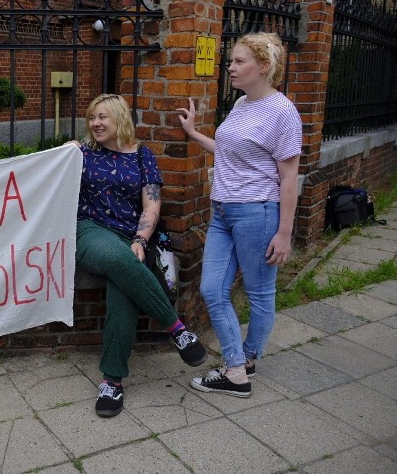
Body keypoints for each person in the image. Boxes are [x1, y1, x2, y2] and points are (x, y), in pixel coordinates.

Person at [177, 32, 302, 398]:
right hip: (223, 213)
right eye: (231, 61)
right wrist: (193, 133)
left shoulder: (282, 112)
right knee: (211, 289)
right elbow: (229, 152)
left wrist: (284, 232)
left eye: (238, 61)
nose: (229, 67)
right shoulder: (242, 104)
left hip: (258, 213)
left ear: (263, 66)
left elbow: (289, 176)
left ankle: (242, 364)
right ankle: (237, 364)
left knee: (260, 292)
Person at [73, 94, 207, 418]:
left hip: (131, 235)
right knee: (121, 261)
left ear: (120, 118)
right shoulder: (83, 152)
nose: (96, 123)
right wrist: (64, 153)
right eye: (92, 118)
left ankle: (112, 381)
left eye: (102, 116)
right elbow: (50, 168)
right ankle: (176, 329)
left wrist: (140, 239)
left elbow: (152, 205)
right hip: (90, 230)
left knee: (124, 285)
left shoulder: (142, 156)